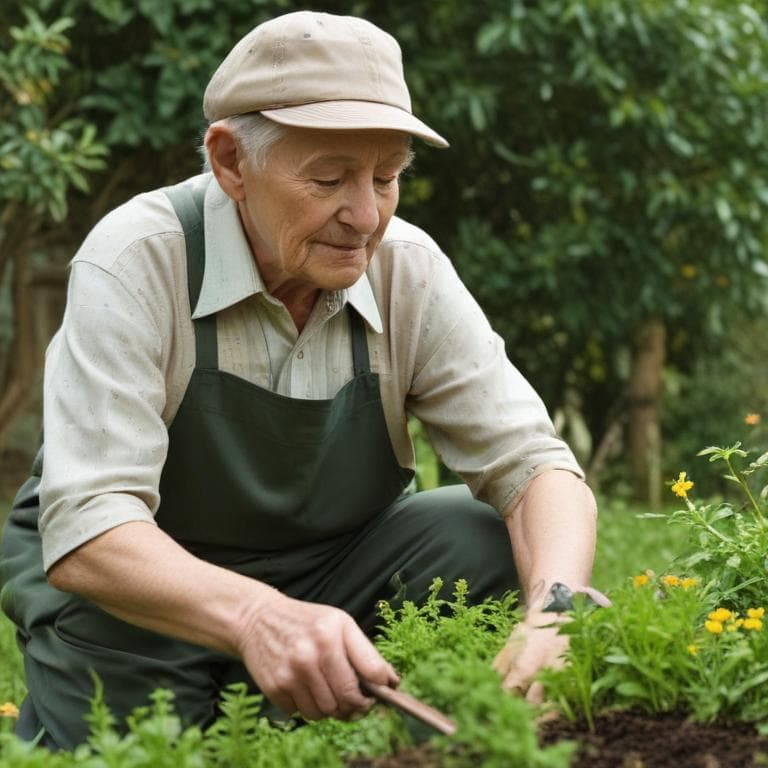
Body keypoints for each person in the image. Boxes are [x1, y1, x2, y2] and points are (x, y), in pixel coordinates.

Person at [0, 10, 597, 750]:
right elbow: (89, 526)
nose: (365, 215)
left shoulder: (406, 266)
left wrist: (557, 609)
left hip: (328, 575)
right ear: (230, 162)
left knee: (483, 539)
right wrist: (256, 618)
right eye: (329, 179)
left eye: (387, 177)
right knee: (138, 749)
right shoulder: (138, 260)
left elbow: (536, 464)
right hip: (141, 599)